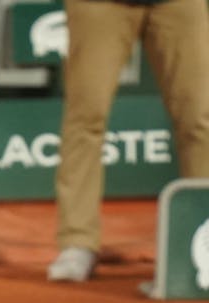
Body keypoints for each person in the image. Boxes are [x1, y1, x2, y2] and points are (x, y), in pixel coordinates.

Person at [49, 0, 209, 281]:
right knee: (86, 117)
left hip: (177, 4)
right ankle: (78, 241)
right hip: (99, 5)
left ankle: (203, 235)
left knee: (199, 118)